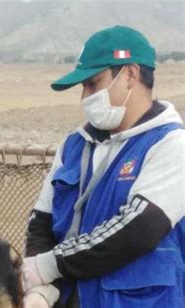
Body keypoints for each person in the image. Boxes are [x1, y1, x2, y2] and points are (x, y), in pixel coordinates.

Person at [22, 25, 184, 308]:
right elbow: (42, 222)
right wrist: (42, 288)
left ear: (130, 75)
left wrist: (49, 266)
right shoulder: (74, 146)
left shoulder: (171, 145)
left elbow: (138, 229)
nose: (85, 97)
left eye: (93, 84)